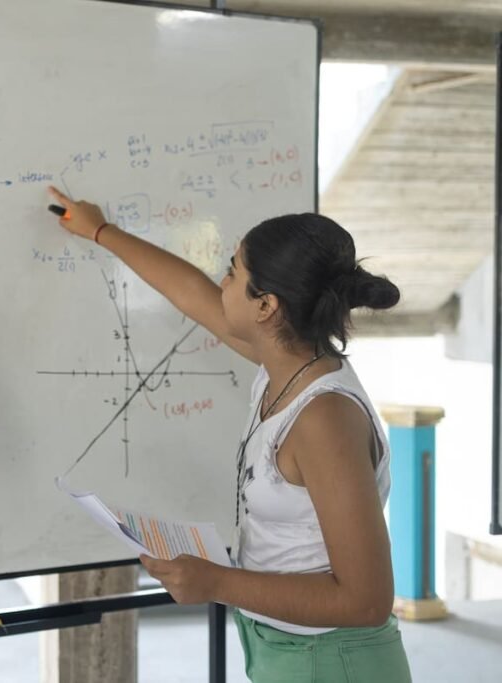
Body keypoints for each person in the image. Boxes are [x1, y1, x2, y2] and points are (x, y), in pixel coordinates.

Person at [48, 186, 411, 682]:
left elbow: (366, 601)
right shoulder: (285, 363)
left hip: (332, 660)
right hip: (285, 646)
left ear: (266, 306)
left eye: (233, 272)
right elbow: (191, 292)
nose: (222, 282)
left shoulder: (324, 419)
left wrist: (216, 582)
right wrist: (101, 231)